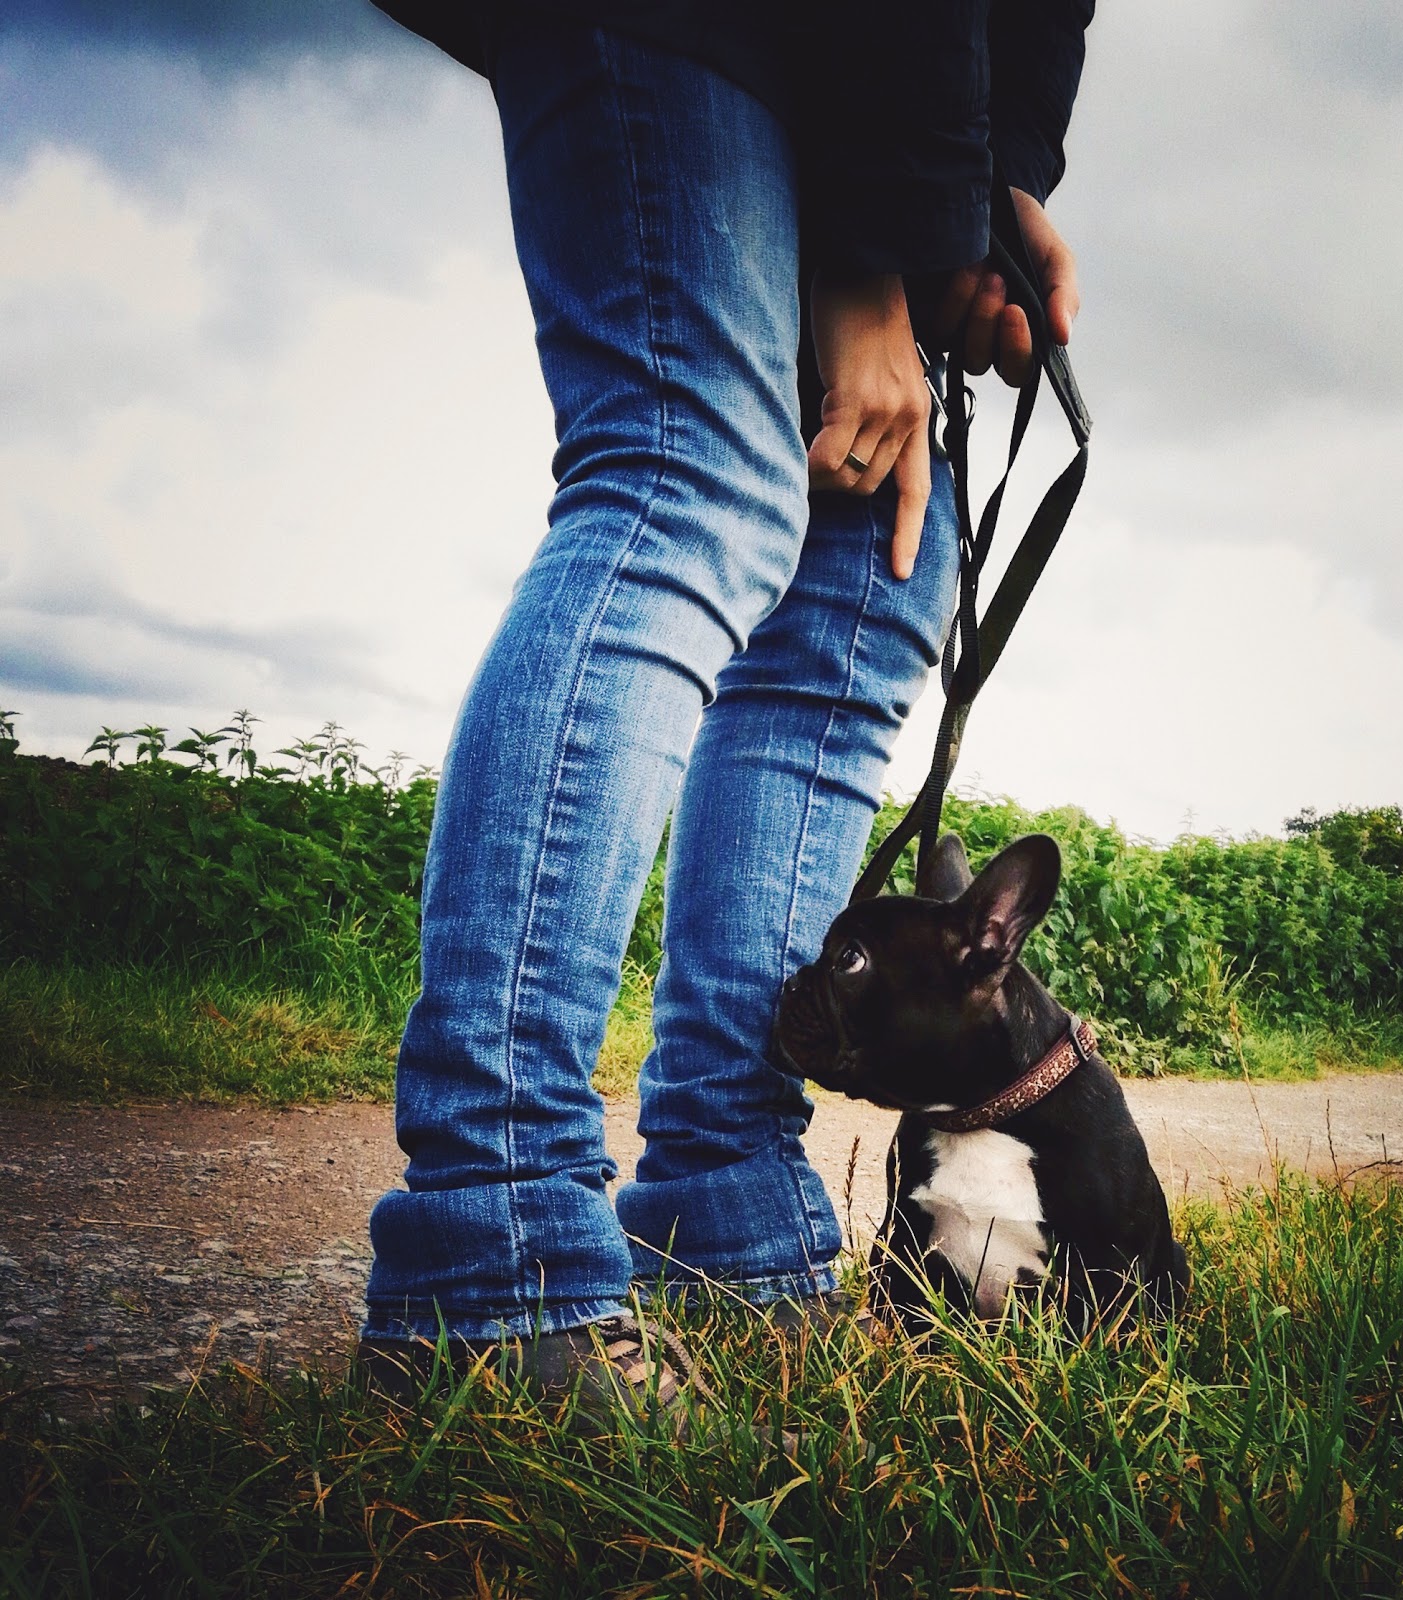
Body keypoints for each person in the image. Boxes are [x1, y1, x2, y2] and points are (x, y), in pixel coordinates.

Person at [357, 1, 1094, 1410]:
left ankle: (724, 1217)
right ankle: (495, 1259)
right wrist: (886, 255)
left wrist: (996, 184)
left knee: (868, 581)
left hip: (842, 74)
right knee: (685, 476)